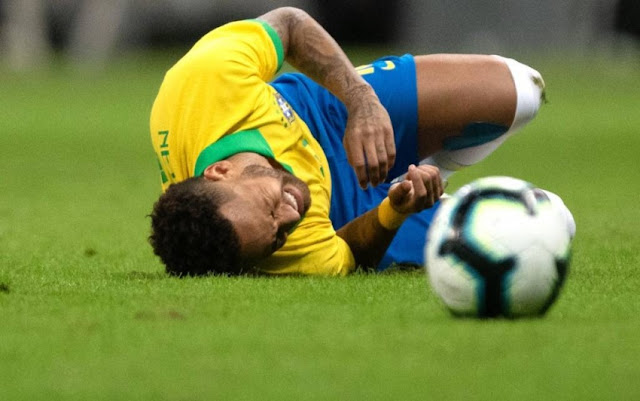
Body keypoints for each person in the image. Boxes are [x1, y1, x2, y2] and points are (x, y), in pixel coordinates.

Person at [148, 7, 546, 276]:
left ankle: (425, 157)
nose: (290, 215)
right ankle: (415, 184)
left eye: (270, 206)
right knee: (534, 229)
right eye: (278, 235)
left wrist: (361, 101)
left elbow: (290, 24)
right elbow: (349, 252)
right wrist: (394, 210)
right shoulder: (286, 248)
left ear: (219, 171)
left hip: (319, 114)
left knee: (522, 90)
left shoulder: (206, 81)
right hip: (340, 212)